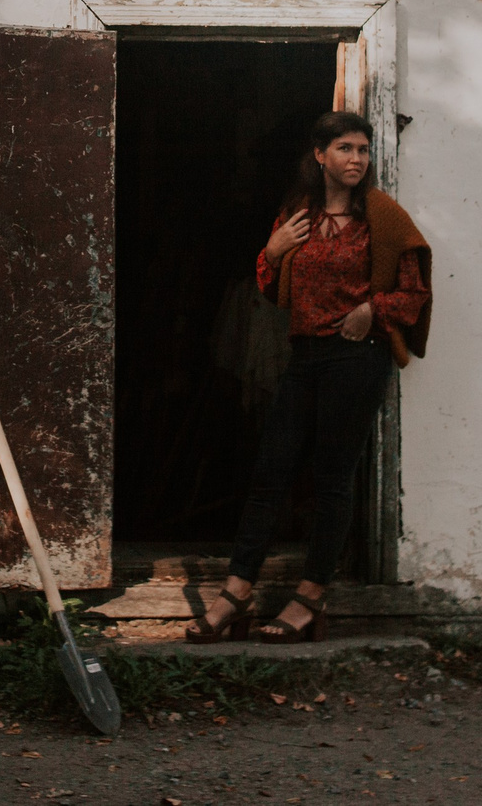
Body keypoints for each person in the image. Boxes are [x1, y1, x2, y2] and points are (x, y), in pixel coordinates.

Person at [183, 109, 432, 644]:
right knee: (270, 473)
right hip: (305, 356)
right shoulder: (297, 213)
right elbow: (275, 291)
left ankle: (311, 596)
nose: (356, 159)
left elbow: (413, 293)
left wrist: (373, 311)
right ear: (319, 156)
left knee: (331, 480)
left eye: (363, 150)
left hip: (357, 358)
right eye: (345, 149)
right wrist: (270, 253)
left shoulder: (382, 217)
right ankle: (237, 591)